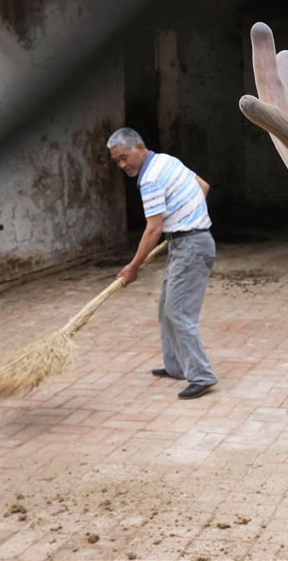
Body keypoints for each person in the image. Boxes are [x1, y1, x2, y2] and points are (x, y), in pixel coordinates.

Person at [107, 128, 218, 399]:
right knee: (166, 311)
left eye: (124, 157)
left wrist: (133, 267)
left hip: (191, 247)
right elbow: (203, 186)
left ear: (139, 147)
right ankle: (176, 366)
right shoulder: (167, 160)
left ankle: (201, 375)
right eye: (117, 161)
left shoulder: (150, 179)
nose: (123, 165)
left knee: (179, 314)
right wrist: (186, 216)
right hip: (187, 243)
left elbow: (153, 229)